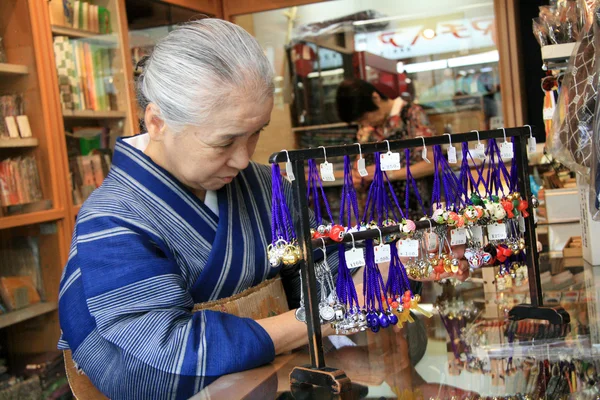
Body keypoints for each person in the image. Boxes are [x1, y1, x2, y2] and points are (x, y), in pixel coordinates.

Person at [57, 19, 340, 400]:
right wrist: (314, 319)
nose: (243, 159)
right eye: (224, 142)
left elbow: (324, 271)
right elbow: (151, 365)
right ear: (157, 122)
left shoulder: (263, 185)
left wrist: (377, 266)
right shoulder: (112, 218)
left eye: (255, 132)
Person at [336, 79, 437, 220]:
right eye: (359, 122)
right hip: (378, 214)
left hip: (413, 211)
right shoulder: (370, 129)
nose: (364, 123)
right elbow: (359, 168)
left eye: (364, 117)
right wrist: (358, 177)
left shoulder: (411, 115)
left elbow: (433, 163)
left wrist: (389, 174)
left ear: (375, 98)